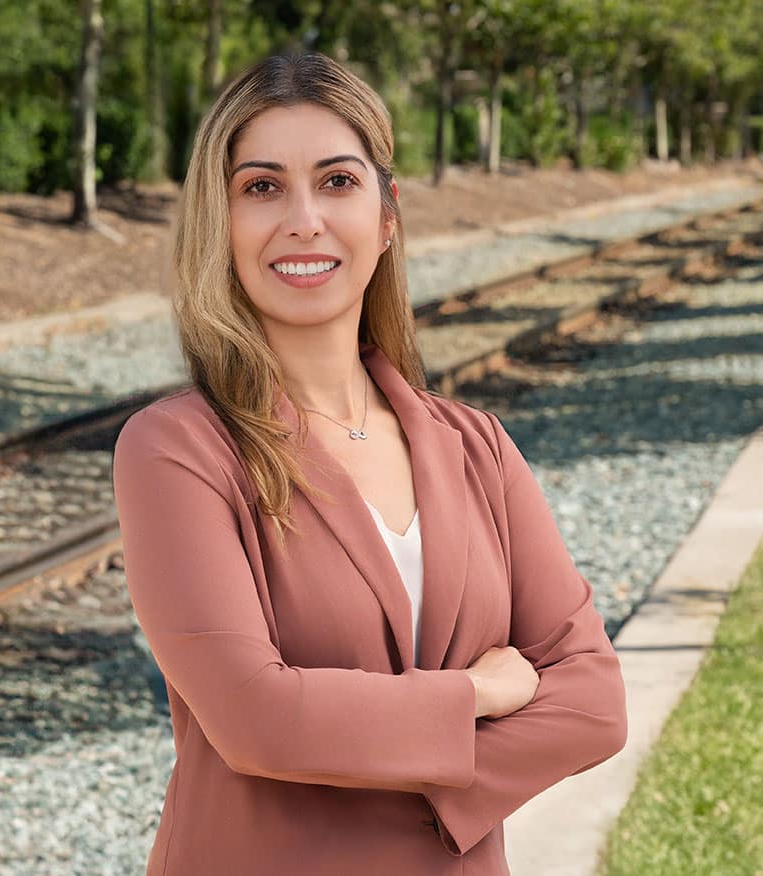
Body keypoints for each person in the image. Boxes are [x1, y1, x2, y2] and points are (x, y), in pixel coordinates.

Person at [112, 50, 627, 876]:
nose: (304, 219)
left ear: (388, 218)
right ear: (222, 222)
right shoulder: (176, 450)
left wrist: (381, 760)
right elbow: (257, 719)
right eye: (262, 187)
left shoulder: (477, 447)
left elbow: (595, 702)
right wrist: (474, 698)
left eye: (338, 181)